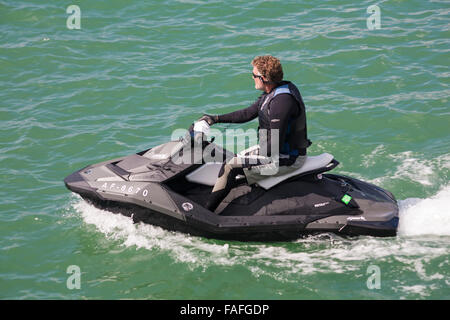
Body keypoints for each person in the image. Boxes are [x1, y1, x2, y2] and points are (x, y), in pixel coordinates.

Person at [198, 55, 311, 212]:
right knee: (233, 159)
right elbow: (248, 113)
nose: (252, 77)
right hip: (272, 150)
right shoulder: (273, 92)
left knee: (230, 166)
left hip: (287, 158)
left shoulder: (282, 101)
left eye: (254, 75)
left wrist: (248, 161)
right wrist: (214, 119)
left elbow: (275, 146)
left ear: (263, 78)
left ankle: (206, 213)